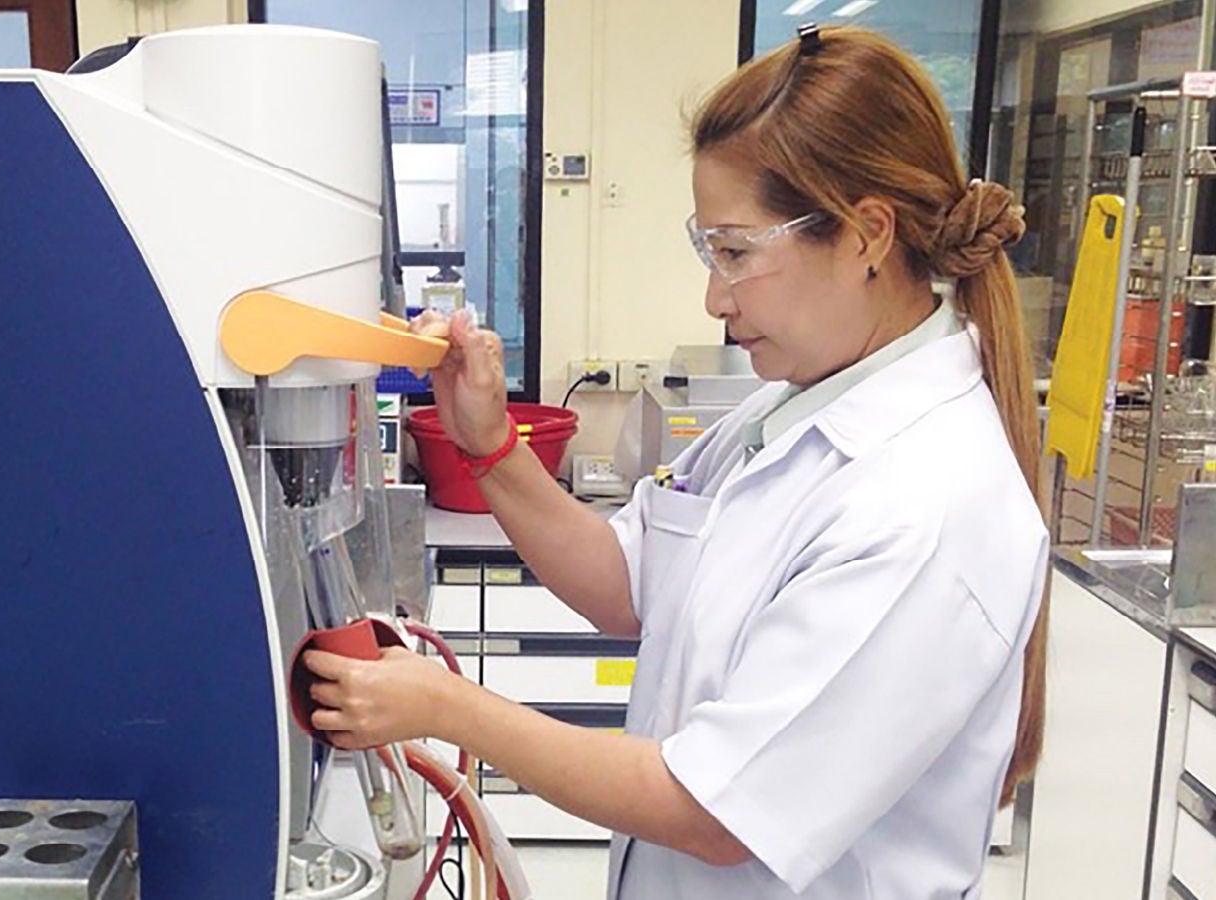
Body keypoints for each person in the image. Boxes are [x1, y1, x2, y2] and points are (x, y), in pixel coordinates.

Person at [303, 25, 1048, 899]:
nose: (714, 297)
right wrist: (491, 443)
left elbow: (716, 812)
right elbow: (628, 584)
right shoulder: (790, 408)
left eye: (736, 253)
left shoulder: (929, 504)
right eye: (709, 251)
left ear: (865, 235)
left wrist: (445, 706)